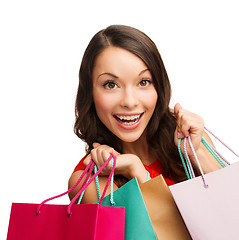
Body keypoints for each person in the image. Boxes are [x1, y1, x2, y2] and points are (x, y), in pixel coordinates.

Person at [68, 25, 223, 203]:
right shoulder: (90, 183)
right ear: (90, 93)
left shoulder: (191, 140)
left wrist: (198, 154)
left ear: (159, 86)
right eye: (111, 84)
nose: (130, 101)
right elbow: (170, 231)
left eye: (143, 82)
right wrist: (137, 172)